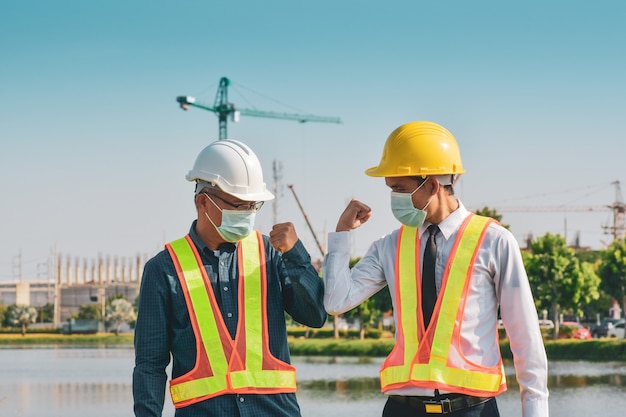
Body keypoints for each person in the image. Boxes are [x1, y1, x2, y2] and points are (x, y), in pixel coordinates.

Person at [323, 121, 548, 417]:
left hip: (473, 410)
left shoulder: (494, 242)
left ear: (431, 185)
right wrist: (342, 234)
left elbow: (526, 340)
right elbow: (336, 301)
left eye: (399, 189)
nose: (393, 199)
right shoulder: (389, 246)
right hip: (403, 410)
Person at [133, 139, 327, 417]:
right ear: (203, 202)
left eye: (253, 206)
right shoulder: (164, 270)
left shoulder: (270, 255)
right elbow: (149, 365)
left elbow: (315, 316)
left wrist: (295, 254)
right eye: (239, 206)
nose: (248, 215)